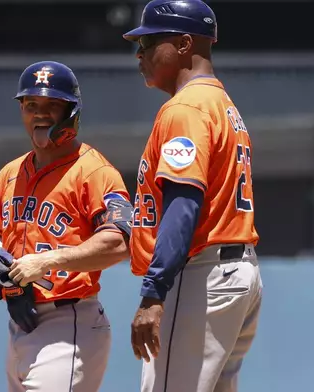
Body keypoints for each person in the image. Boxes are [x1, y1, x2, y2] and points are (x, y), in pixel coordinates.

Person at [122, 1, 263, 391]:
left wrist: (153, 294)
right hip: (235, 273)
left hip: (200, 273)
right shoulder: (223, 104)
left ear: (184, 44)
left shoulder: (186, 107)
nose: (140, 54)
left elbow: (183, 205)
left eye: (149, 43)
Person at [0, 60, 133, 391]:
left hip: (69, 323)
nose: (41, 113)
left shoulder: (94, 171)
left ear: (71, 113)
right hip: (20, 321)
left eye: (52, 105)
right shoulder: (10, 173)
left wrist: (48, 260)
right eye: (32, 104)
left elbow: (120, 242)